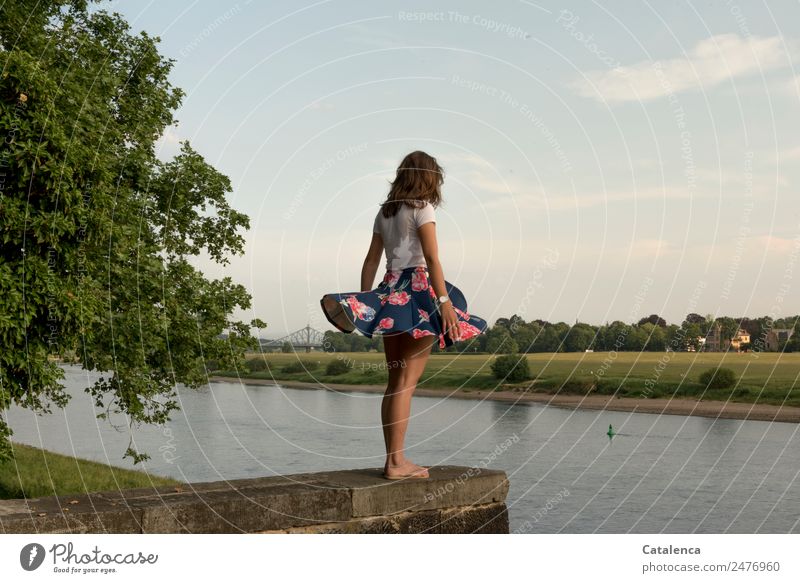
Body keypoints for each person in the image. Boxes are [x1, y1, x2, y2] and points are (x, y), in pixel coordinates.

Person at [320, 150, 488, 480]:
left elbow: (371, 262)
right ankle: (397, 464)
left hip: (390, 291)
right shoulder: (422, 209)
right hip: (417, 293)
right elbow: (432, 259)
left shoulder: (385, 213)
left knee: (395, 382)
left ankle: (393, 460)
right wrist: (444, 301)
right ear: (427, 177)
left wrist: (365, 302)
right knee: (405, 385)